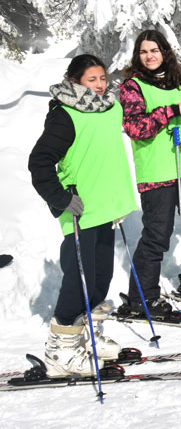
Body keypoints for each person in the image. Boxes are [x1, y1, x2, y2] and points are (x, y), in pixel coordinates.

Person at [28, 55, 137, 377]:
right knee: (78, 281)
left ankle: (86, 338)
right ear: (75, 81)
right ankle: (60, 352)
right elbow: (40, 163)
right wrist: (62, 199)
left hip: (106, 209)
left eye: (103, 78)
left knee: (100, 279)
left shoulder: (110, 107)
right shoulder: (64, 115)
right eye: (92, 79)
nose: (101, 84)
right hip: (80, 211)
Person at [119, 29, 181, 317]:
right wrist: (170, 110)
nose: (149, 56)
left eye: (154, 50)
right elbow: (136, 127)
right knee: (157, 236)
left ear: (165, 53)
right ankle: (142, 296)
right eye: (144, 51)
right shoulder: (132, 87)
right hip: (157, 172)